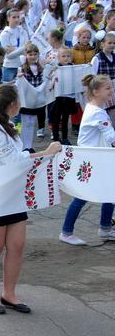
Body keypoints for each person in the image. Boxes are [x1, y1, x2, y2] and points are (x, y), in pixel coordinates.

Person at [0, 84, 61, 314]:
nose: (20, 104)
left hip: (13, 192)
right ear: (12, 105)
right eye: (18, 100)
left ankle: (9, 293)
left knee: (17, 246)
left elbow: (17, 158)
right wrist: (46, 153)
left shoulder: (6, 125)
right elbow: (13, 161)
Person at [60, 75, 115, 245]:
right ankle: (66, 232)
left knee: (110, 191)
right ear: (96, 91)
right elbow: (112, 137)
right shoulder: (97, 113)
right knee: (82, 196)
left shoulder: (94, 108)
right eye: (107, 88)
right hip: (90, 160)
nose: (111, 91)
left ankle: (105, 229)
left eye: (111, 87)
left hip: (97, 158)